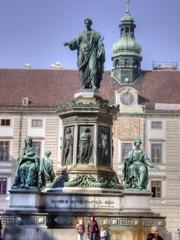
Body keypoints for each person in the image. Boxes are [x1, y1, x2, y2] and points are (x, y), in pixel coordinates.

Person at [64, 18, 105, 90]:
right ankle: (84, 84)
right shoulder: (81, 34)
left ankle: (93, 85)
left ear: (90, 24)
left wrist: (100, 51)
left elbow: (100, 44)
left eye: (88, 23)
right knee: (81, 68)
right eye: (85, 23)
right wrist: (69, 43)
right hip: (82, 52)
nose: (87, 24)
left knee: (93, 68)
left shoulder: (96, 34)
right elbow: (75, 41)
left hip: (92, 52)